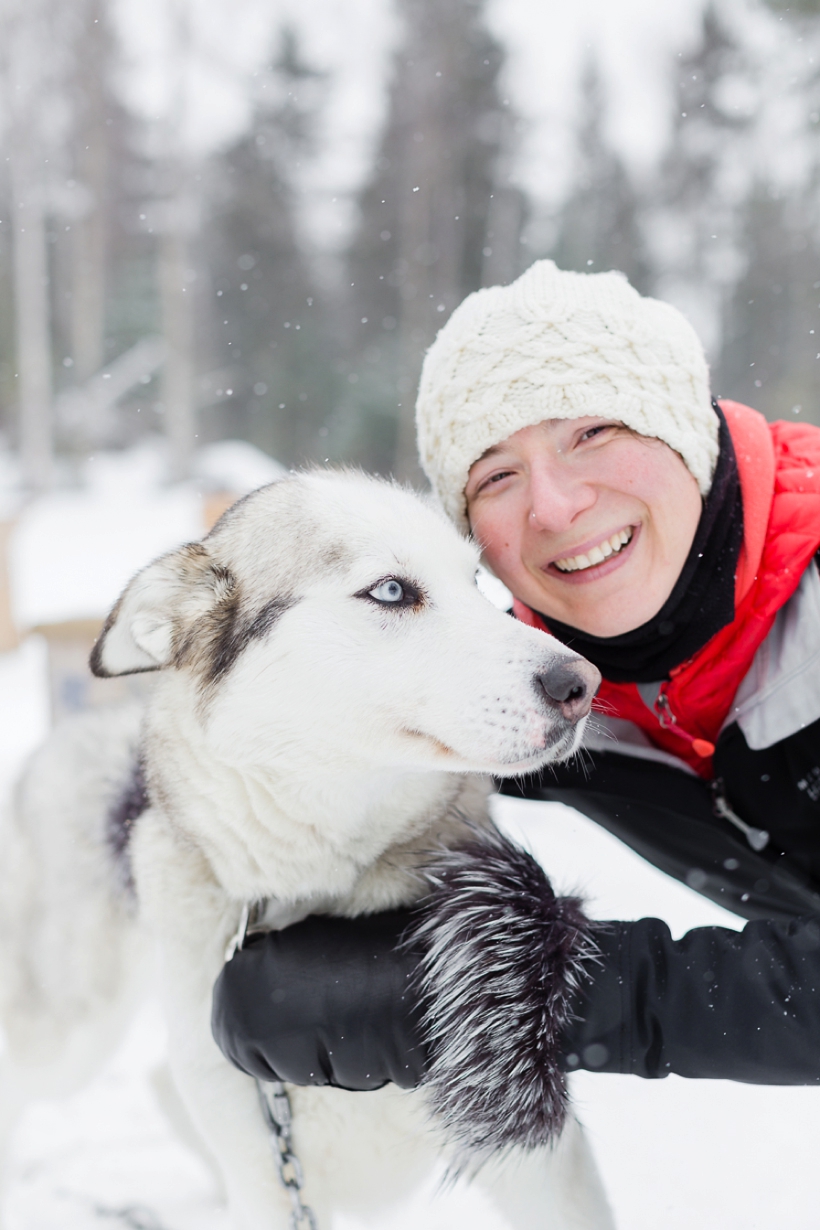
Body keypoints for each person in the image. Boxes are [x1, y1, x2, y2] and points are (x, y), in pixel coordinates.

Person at [212, 260, 820, 1123]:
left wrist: (520, 994)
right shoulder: (543, 684)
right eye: (495, 476)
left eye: (594, 432)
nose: (557, 505)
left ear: (687, 432)